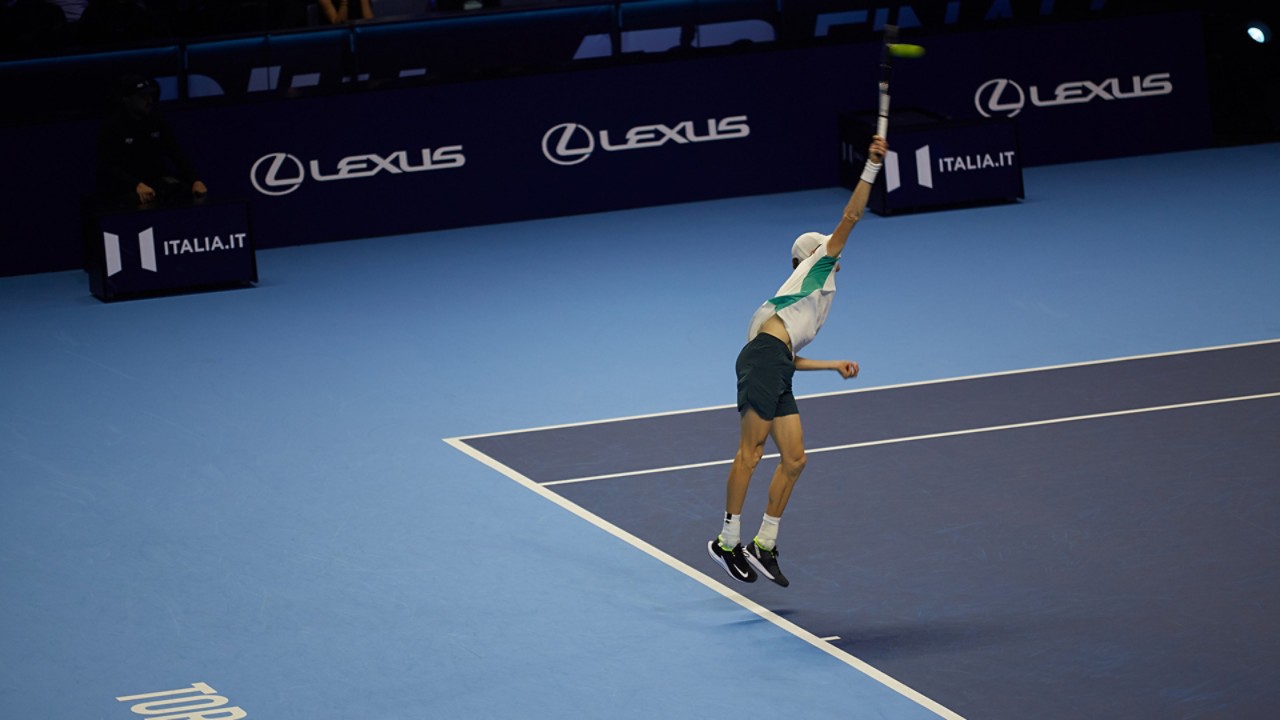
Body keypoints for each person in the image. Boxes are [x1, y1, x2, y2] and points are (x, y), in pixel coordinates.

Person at [707, 134, 889, 587]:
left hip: (775, 362)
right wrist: (870, 166)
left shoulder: (805, 302)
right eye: (828, 245)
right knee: (750, 453)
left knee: (795, 459)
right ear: (810, 255)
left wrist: (831, 365)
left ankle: (763, 543)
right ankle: (727, 539)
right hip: (766, 360)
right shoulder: (814, 269)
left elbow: (784, 357)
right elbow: (852, 215)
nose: (837, 248)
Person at [96, 74, 207, 208]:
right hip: (124, 185)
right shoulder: (112, 126)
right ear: (127, 99)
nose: (149, 100)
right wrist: (135, 185)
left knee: (183, 190)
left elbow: (176, 153)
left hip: (155, 180)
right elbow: (108, 166)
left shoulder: (157, 121)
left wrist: (195, 180)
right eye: (142, 97)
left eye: (150, 96)